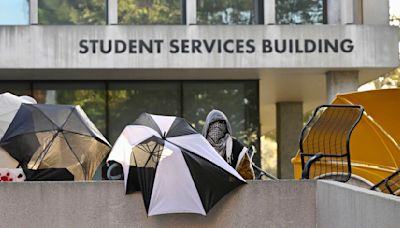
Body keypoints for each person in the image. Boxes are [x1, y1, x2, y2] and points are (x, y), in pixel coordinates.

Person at [202, 109, 255, 180]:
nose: (217, 126)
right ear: (207, 127)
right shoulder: (201, 148)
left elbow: (248, 178)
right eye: (213, 123)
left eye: (221, 122)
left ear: (226, 126)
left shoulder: (237, 148)